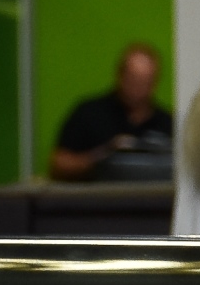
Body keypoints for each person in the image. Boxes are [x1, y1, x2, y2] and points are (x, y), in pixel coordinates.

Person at [51, 42, 174, 181]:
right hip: (98, 194)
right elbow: (58, 165)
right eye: (133, 79)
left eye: (145, 81)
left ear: (156, 81)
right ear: (119, 75)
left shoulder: (168, 123)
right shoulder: (89, 114)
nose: (138, 88)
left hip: (154, 194)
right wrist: (103, 156)